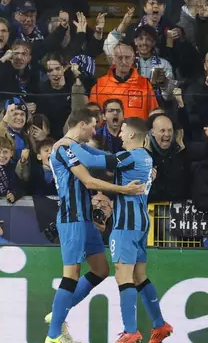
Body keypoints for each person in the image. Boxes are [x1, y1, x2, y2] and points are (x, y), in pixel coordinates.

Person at [56, 117, 173, 343]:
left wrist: (69, 143)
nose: (119, 135)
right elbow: (104, 158)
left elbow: (92, 159)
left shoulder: (132, 156)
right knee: (140, 276)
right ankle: (160, 325)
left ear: (131, 134)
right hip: (140, 221)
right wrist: (81, 146)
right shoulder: (145, 157)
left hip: (126, 223)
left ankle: (130, 331)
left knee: (123, 274)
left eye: (122, 131)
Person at [45, 109, 146, 343]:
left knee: (101, 269)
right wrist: (125, 189)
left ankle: (58, 315)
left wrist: (137, 161)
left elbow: (104, 156)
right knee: (71, 275)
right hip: (71, 218)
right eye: (92, 126)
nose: (95, 131)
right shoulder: (63, 148)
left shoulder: (73, 147)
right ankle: (54, 336)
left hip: (84, 218)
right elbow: (88, 180)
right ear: (82, 124)